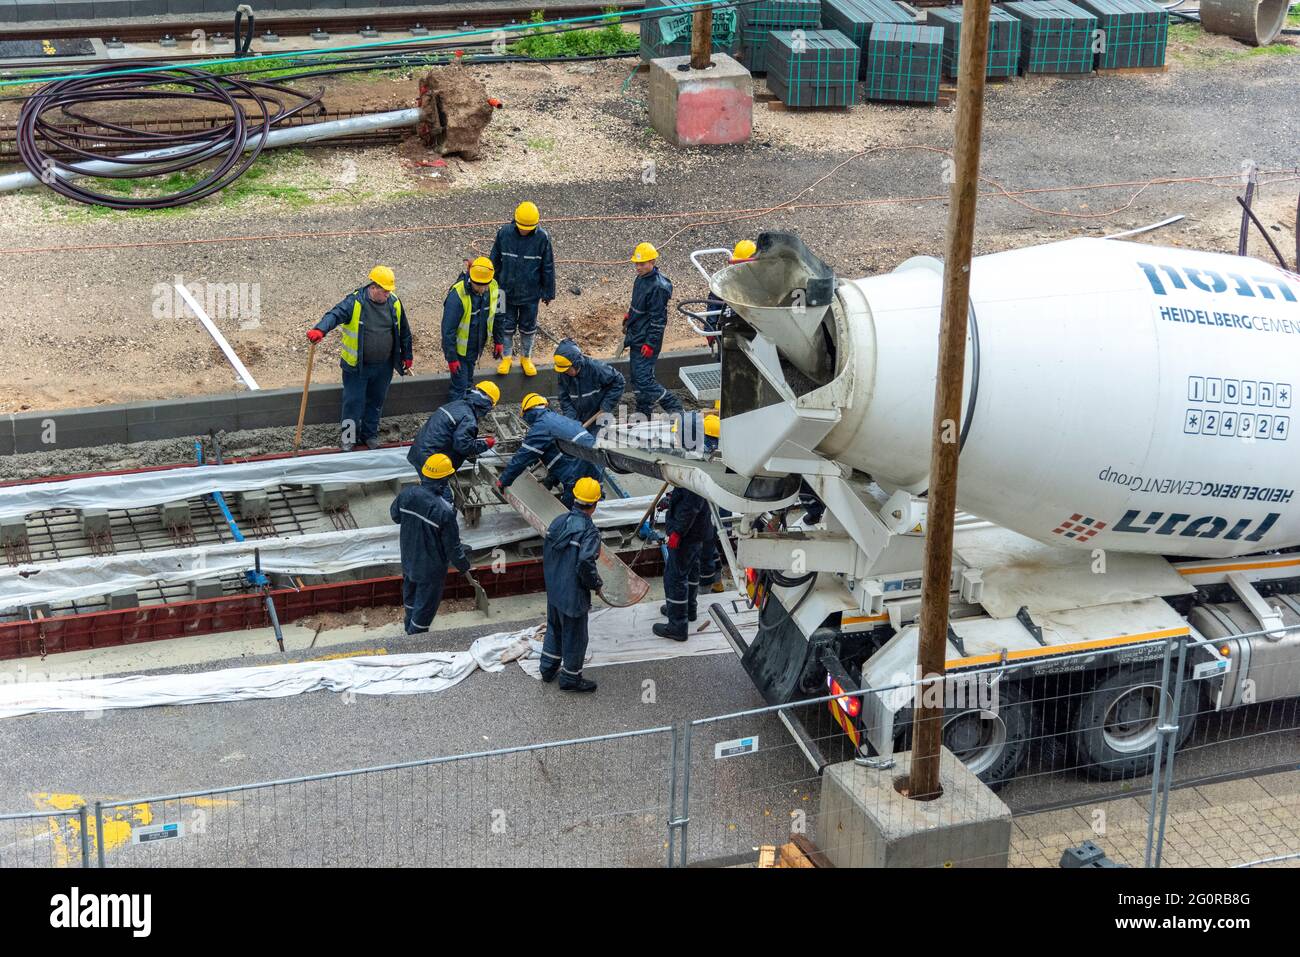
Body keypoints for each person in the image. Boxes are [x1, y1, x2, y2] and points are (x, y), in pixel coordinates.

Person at [309, 265, 413, 451]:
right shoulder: (355, 302)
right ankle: (348, 438)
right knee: (352, 403)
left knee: (375, 402)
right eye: (384, 291)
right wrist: (320, 329)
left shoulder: (394, 303)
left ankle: (370, 435)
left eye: (389, 291)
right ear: (373, 288)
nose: (388, 295)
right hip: (357, 367)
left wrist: (407, 355)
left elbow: (404, 331)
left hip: (383, 366)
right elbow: (334, 314)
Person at [389, 453, 472, 635]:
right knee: (424, 610)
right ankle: (415, 641)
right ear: (445, 479)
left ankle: (408, 629)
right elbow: (453, 547)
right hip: (430, 569)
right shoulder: (444, 511)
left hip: (409, 559)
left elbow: (395, 516)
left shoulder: (407, 494)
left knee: (410, 598)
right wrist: (464, 566)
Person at [541, 477, 604, 692]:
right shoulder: (589, 532)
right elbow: (585, 562)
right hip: (573, 595)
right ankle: (570, 678)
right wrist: (595, 583)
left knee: (554, 629)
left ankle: (547, 668)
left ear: (575, 499)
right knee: (576, 636)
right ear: (594, 505)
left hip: (555, 589)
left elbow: (549, 554)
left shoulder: (558, 521)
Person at [496, 393, 602, 507]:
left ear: (528, 413)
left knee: (571, 509)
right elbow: (561, 455)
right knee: (594, 498)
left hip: (578, 471)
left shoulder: (541, 426)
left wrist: (504, 480)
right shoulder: (561, 420)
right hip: (596, 464)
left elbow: (522, 458)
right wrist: (552, 479)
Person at [490, 201, 556, 378]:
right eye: (522, 227)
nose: (525, 230)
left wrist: (548, 292)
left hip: (530, 293)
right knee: (505, 325)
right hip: (504, 292)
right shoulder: (504, 234)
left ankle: (526, 358)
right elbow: (494, 260)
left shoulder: (542, 238)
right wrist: (491, 285)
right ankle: (506, 357)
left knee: (528, 327)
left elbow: (547, 266)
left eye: (528, 228)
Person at [624, 242, 683, 419]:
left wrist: (651, 343)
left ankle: (674, 407)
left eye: (642, 264)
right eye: (636, 263)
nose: (638, 267)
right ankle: (644, 411)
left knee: (644, 379)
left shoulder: (658, 287)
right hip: (637, 335)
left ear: (652, 262)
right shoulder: (641, 279)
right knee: (637, 377)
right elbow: (638, 304)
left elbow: (658, 320)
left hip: (645, 340)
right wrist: (630, 315)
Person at [653, 479, 712, 642]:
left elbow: (690, 505)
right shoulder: (696, 473)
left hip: (686, 534)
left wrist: (677, 532)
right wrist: (672, 498)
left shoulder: (691, 478)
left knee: (675, 577)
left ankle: (677, 625)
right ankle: (688, 609)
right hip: (698, 530)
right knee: (691, 570)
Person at [407, 381, 500, 479]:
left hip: (419, 451)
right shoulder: (469, 419)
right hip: (431, 462)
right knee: (440, 493)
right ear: (488, 405)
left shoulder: (457, 404)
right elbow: (463, 446)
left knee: (428, 488)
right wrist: (485, 444)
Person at [442, 256, 502, 401]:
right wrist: (452, 358)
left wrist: (499, 340)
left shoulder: (494, 287)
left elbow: (499, 315)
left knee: (468, 383)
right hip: (460, 353)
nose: (483, 289)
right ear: (471, 279)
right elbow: (447, 331)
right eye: (479, 286)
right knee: (460, 387)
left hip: (475, 348)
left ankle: (464, 413)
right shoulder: (457, 295)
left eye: (485, 285)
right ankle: (455, 416)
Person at [552, 338, 625, 434]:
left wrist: (606, 405)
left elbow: (619, 381)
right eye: (562, 370)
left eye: (567, 369)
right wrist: (572, 419)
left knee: (597, 443)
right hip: (578, 417)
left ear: (576, 363)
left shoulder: (596, 369)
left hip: (598, 416)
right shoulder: (564, 374)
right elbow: (564, 398)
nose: (565, 372)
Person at [702, 240, 755, 358]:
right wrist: (710, 331)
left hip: (752, 330)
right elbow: (712, 306)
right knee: (727, 360)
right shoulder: (724, 282)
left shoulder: (759, 280)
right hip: (730, 329)